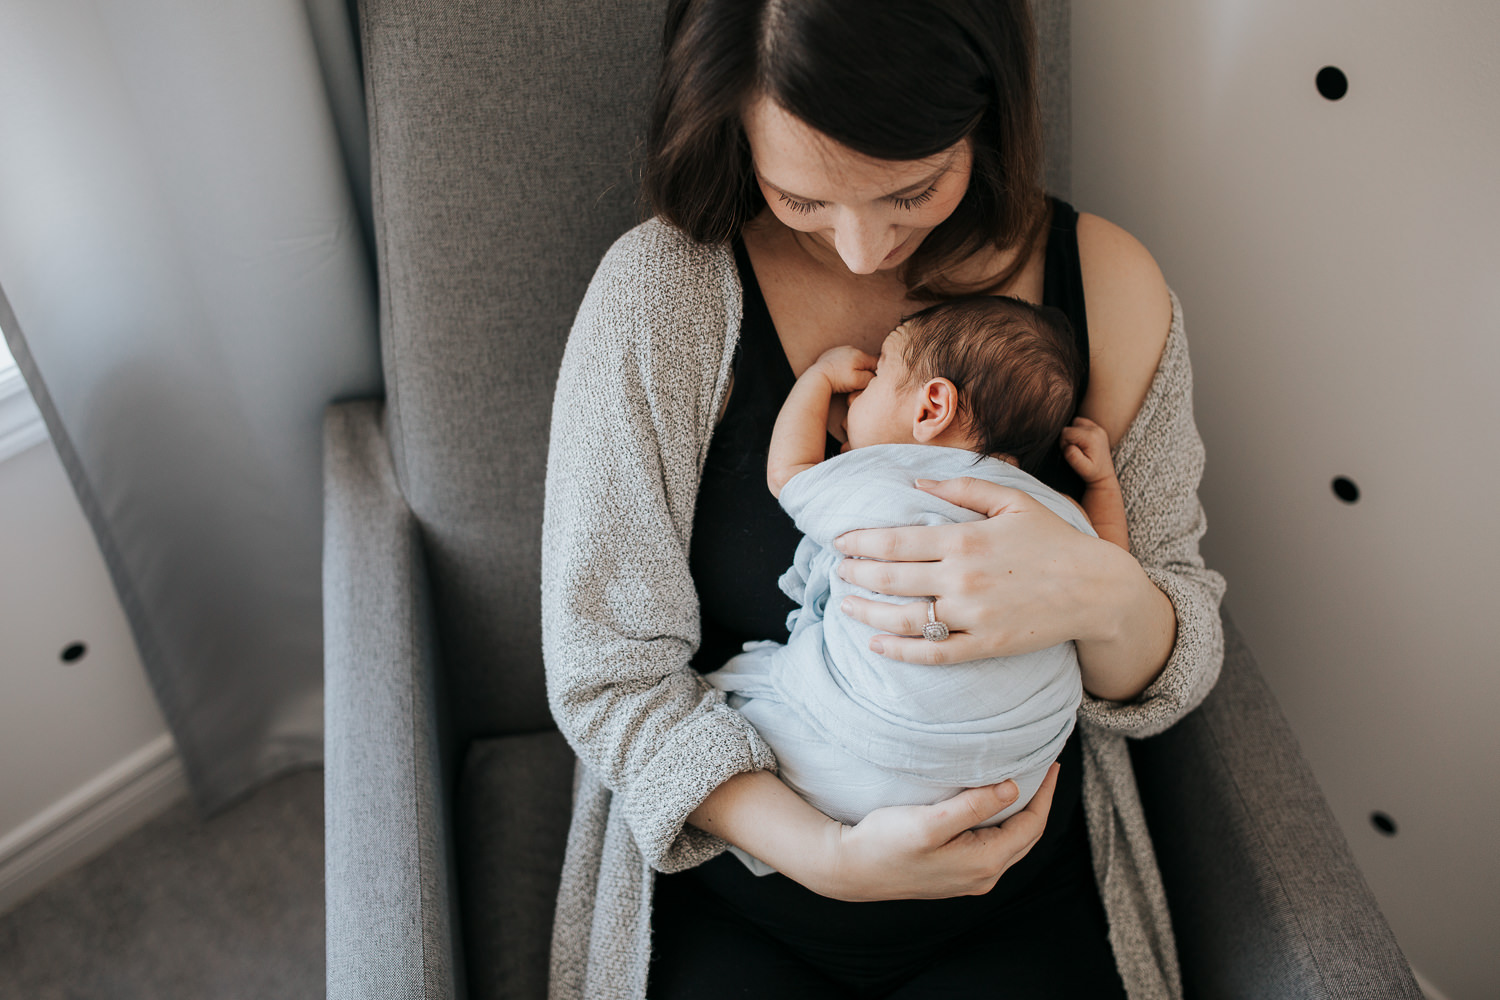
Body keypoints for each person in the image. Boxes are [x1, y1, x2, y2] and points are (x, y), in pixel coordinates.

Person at [540, 2, 1226, 998]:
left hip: (1018, 895)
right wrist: (825, 854)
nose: (864, 251)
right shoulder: (662, 299)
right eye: (804, 198)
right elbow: (607, 674)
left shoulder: (1106, 287)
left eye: (913, 189)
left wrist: (1102, 595)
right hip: (736, 884)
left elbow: (1177, 650)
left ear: (984, 111)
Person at [704, 295, 1128, 878]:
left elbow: (790, 474)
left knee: (732, 700)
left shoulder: (887, 478)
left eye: (875, 378)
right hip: (1007, 788)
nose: (853, 399)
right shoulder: (1050, 515)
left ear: (932, 406)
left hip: (860, 766)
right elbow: (1111, 573)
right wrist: (1103, 486)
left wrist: (818, 379)